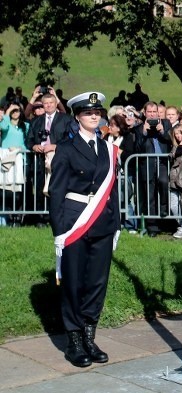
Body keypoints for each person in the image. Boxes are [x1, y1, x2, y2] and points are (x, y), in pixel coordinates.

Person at [49, 92, 120, 368]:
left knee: (96, 282)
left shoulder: (106, 148)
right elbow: (56, 192)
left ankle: (90, 335)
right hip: (75, 222)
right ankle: (74, 340)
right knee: (74, 282)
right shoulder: (66, 149)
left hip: (102, 221)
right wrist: (59, 231)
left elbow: (111, 190)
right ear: (78, 116)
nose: (95, 116)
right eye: (89, 112)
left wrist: (115, 225)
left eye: (98, 112)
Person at [26, 89, 73, 226]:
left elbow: (70, 139)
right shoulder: (36, 121)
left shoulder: (65, 119)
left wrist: (55, 146)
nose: (48, 106)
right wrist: (34, 146)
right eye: (45, 103)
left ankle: (56, 218)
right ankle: (40, 218)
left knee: (57, 189)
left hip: (58, 160)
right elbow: (29, 140)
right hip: (39, 161)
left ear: (55, 103)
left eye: (51, 103)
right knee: (40, 189)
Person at [133, 101, 172, 236]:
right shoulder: (139, 128)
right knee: (150, 195)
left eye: (154, 111)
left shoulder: (166, 123)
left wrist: (163, 132)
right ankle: (152, 226)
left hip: (162, 162)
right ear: (145, 113)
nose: (152, 114)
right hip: (147, 164)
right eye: (149, 112)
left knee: (164, 183)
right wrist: (144, 132)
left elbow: (172, 140)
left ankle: (164, 211)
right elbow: (137, 148)